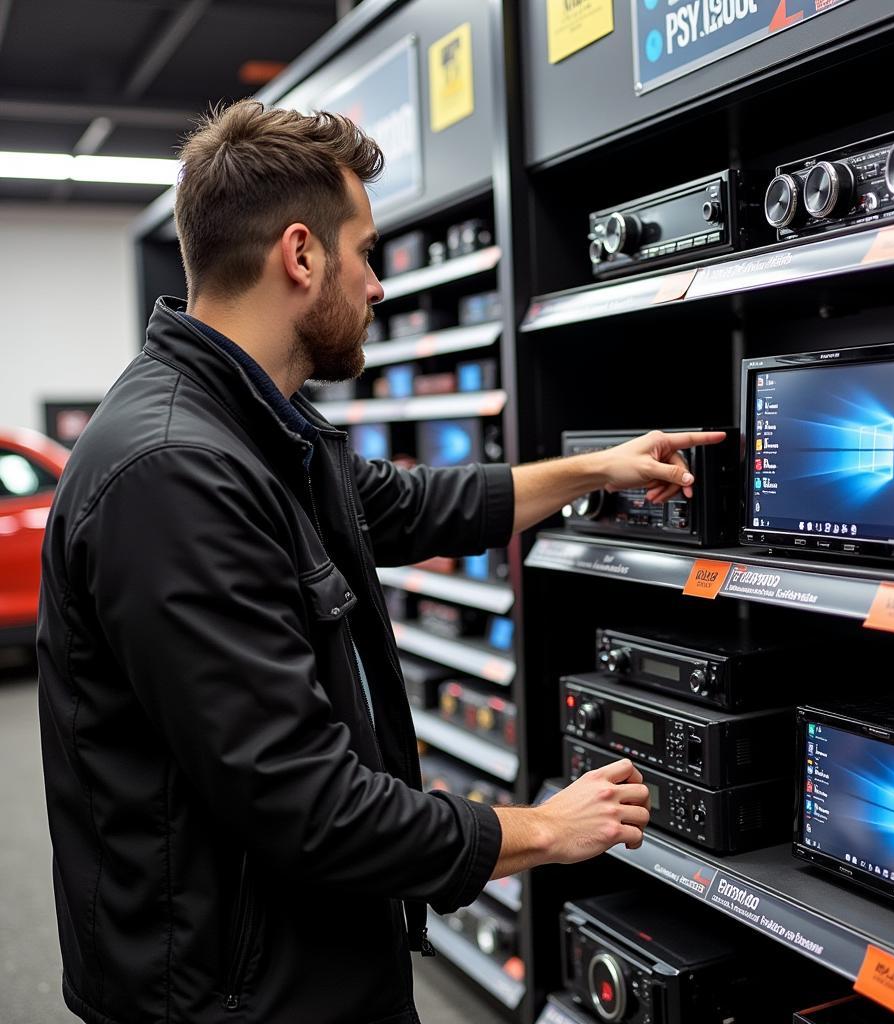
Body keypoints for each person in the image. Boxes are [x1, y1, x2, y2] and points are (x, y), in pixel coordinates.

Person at [36, 100, 726, 1024]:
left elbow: (411, 505)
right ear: (301, 255)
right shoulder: (175, 474)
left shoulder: (253, 427)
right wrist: (543, 831)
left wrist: (597, 470)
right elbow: (307, 805)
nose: (378, 287)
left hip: (292, 952)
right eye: (366, 253)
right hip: (232, 993)